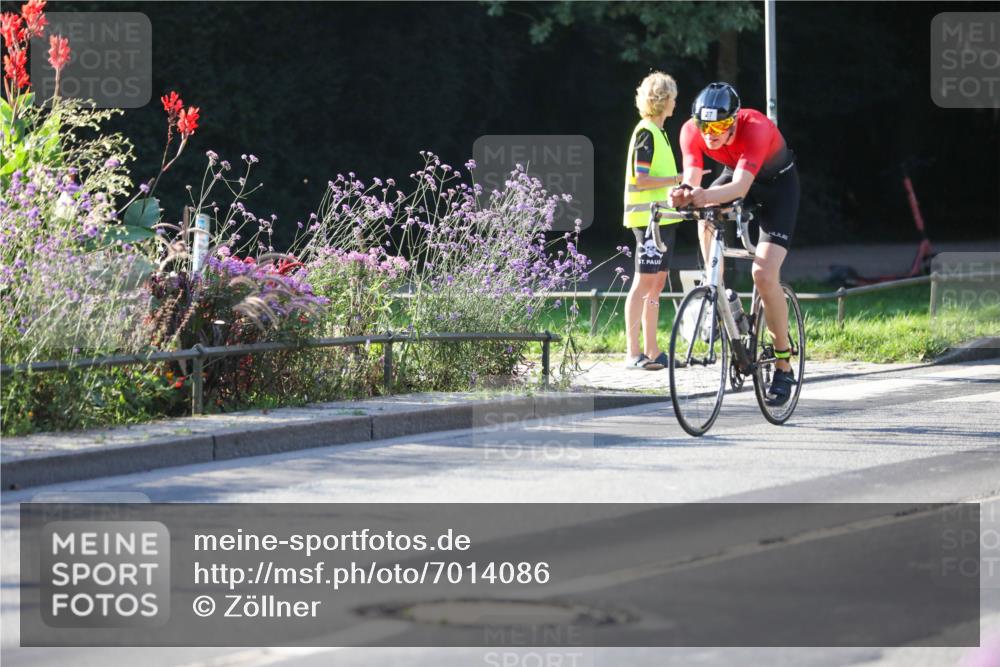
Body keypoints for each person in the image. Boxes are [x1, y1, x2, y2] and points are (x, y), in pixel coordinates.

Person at [669, 82, 800, 405]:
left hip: (776, 189)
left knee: (763, 275)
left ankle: (783, 363)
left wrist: (701, 196)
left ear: (735, 121)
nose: (711, 134)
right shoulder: (690, 130)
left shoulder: (754, 127)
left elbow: (740, 187)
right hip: (735, 174)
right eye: (705, 126)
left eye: (721, 126)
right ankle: (718, 289)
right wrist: (683, 193)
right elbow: (692, 176)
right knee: (703, 212)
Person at [622, 71, 684, 370]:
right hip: (648, 219)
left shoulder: (659, 132)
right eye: (672, 96)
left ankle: (653, 351)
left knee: (656, 284)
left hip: (664, 219)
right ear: (662, 100)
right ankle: (633, 353)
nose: (675, 102)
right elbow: (641, 179)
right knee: (643, 282)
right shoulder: (646, 131)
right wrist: (677, 178)